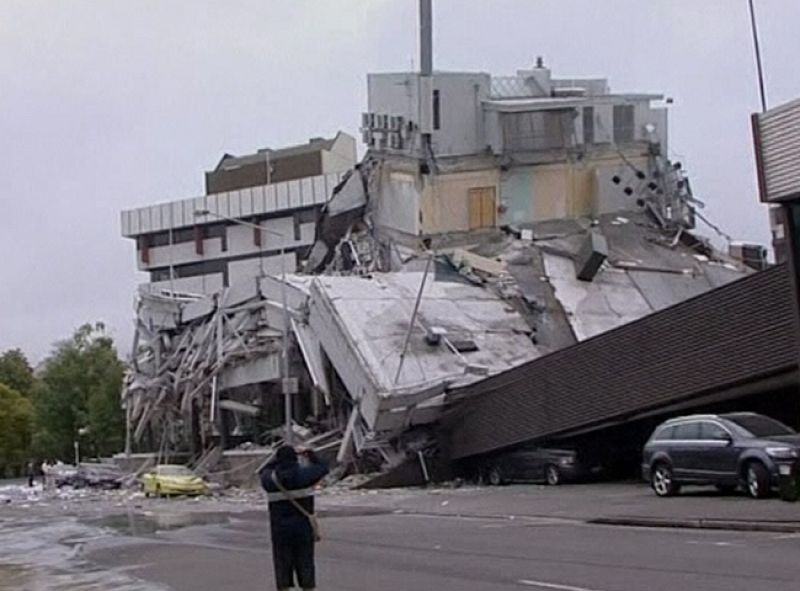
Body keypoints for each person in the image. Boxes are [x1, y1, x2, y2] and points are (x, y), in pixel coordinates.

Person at [259, 445, 329, 591]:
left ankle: (284, 587)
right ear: (295, 458)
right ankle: (307, 587)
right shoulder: (305, 475)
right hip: (303, 528)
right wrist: (309, 453)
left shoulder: (269, 480)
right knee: (305, 561)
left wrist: (275, 458)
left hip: (279, 529)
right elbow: (323, 467)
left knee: (282, 562)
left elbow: (262, 470)